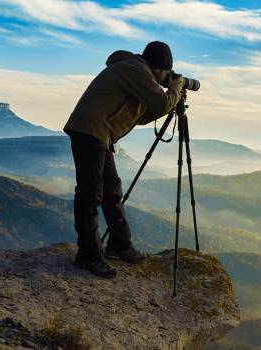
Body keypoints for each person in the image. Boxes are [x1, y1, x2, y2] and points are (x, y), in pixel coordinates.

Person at [63, 41, 184, 278]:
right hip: (90, 131)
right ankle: (88, 256)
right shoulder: (135, 70)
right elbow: (160, 103)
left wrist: (170, 100)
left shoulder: (135, 73)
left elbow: (142, 115)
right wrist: (176, 88)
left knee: (112, 190)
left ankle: (119, 245)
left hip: (99, 133)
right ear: (158, 68)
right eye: (165, 73)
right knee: (90, 194)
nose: (165, 78)